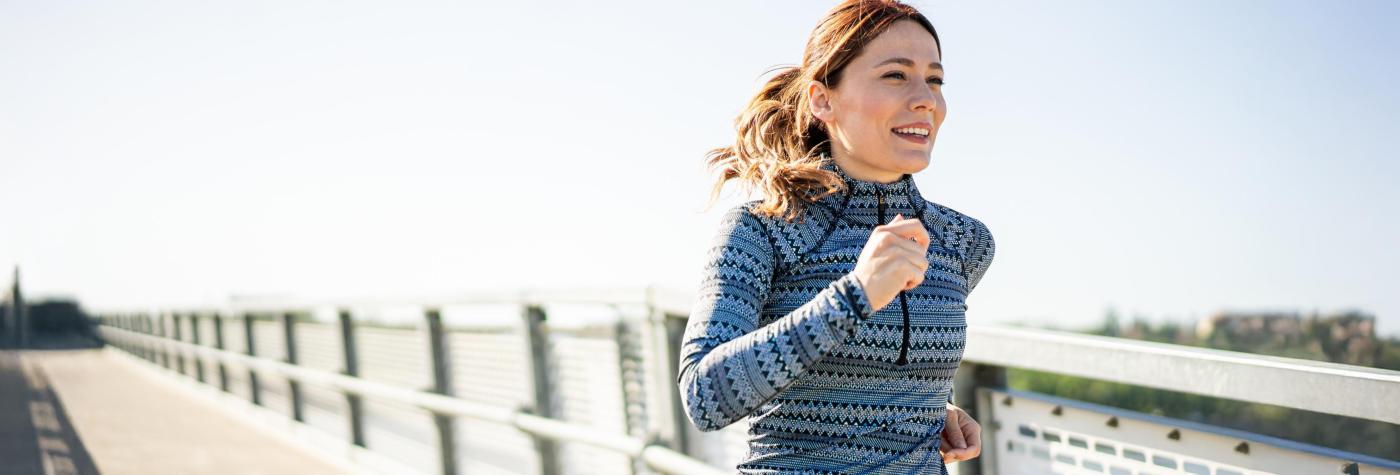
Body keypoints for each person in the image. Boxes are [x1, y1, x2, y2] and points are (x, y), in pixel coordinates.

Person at [676, 1, 996, 473]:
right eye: (895, 75)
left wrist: (929, 412)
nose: (926, 98)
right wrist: (855, 295)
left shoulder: (962, 243)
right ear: (823, 99)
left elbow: (877, 372)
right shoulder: (762, 229)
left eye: (934, 79)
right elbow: (705, 397)